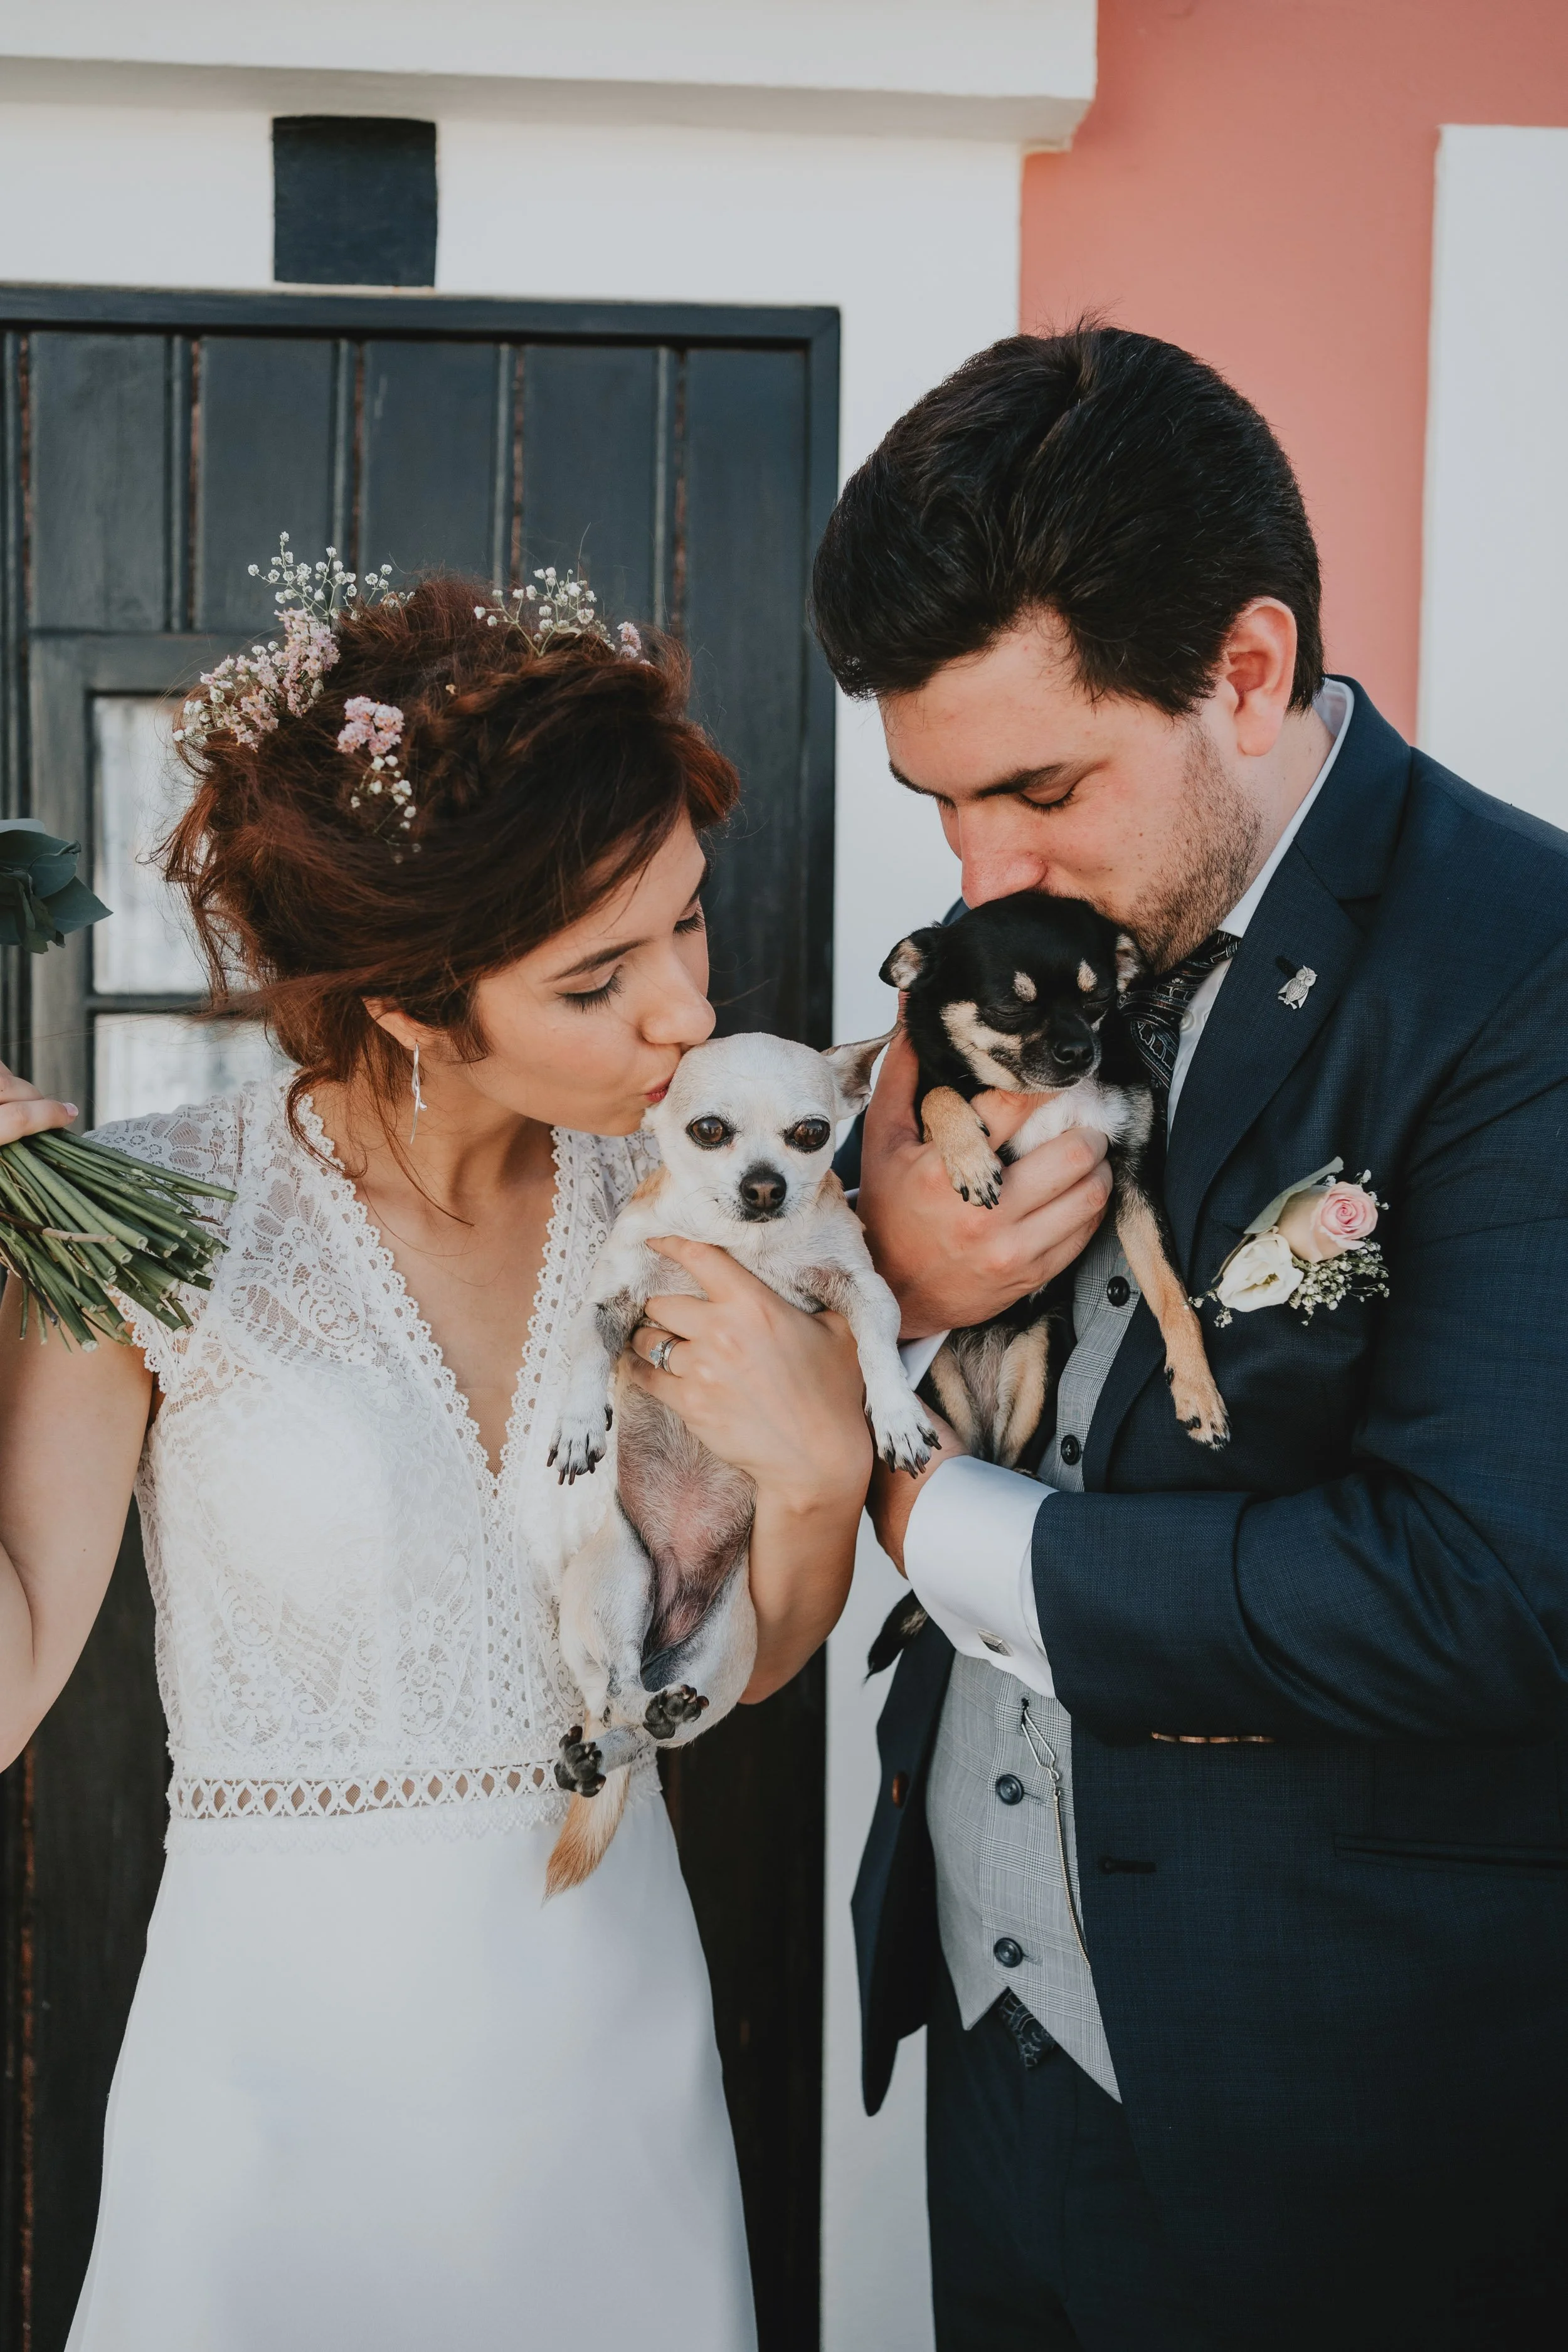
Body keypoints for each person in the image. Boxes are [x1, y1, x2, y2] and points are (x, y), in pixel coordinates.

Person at [0, 576, 873, 2350]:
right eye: (599, 979)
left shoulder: (712, 1203)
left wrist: (826, 1475)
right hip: (273, 2101)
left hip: (608, 2080)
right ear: (408, 1005)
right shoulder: (153, 1222)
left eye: (688, 923)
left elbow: (745, 1665)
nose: (685, 1015)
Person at [813, 328, 1568, 2350]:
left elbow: (1484, 1591)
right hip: (995, 2036)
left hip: (1343, 2108)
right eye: (939, 801)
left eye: (1038, 786)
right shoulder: (1028, 937)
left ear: (1243, 668)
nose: (983, 873)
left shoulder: (1530, 966)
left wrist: (929, 1516)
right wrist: (899, 1283)